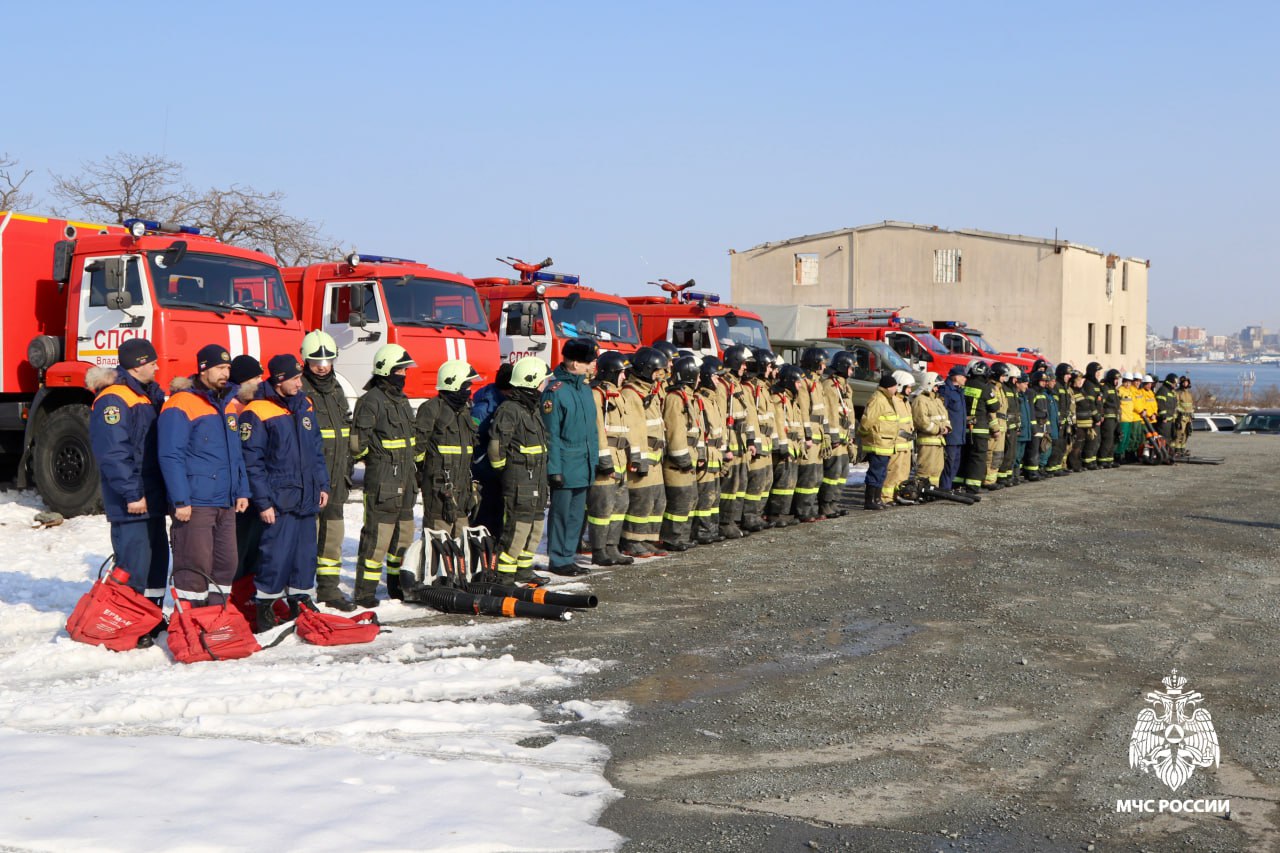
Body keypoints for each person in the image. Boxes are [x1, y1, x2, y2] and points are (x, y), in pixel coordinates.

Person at [239, 354, 330, 632]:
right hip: (278, 499)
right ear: (279, 380)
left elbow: (316, 450)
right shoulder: (257, 411)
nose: (299, 383)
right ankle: (265, 605)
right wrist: (263, 501)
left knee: (305, 554)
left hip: (307, 494)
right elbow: (251, 462)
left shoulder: (305, 405)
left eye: (299, 377)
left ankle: (300, 599)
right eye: (294, 378)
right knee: (275, 555)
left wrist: (323, 484)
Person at [88, 338, 169, 647]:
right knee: (133, 565)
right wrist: (132, 494)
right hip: (132, 501)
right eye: (152, 362)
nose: (157, 367)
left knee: (156, 562)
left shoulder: (146, 396)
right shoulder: (113, 399)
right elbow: (114, 453)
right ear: (137, 364)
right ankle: (126, 623)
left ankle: (150, 618)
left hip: (151, 497)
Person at [158, 344, 250, 607]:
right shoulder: (181, 403)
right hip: (196, 502)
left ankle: (216, 617)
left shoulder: (228, 405)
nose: (226, 373)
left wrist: (242, 490)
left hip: (226, 501)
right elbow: (170, 455)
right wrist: (180, 500)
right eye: (220, 368)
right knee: (194, 567)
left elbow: (236, 453)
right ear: (203, 369)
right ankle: (191, 619)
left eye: (228, 368)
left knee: (226, 563)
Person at [351, 344, 418, 607]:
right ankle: (365, 591)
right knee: (377, 539)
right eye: (400, 369)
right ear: (386, 370)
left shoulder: (401, 400)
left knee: (403, 538)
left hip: (405, 482)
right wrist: (378, 462)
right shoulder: (370, 401)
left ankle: (396, 586)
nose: (404, 374)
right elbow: (358, 445)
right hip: (383, 482)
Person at [300, 330, 355, 610]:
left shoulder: (336, 390)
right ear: (306, 361)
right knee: (307, 538)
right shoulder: (299, 390)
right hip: (309, 480)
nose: (322, 365)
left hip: (337, 478)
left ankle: (329, 590)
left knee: (332, 538)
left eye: (327, 360)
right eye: (316, 360)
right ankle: (301, 591)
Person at [488, 357, 551, 584]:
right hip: (519, 482)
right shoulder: (510, 410)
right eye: (542, 381)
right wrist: (505, 473)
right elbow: (496, 446)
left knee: (535, 527)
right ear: (531, 382)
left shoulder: (531, 409)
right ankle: (504, 575)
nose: (545, 385)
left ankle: (523, 570)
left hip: (536, 482)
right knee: (517, 530)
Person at [542, 338, 599, 576]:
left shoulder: (585, 390)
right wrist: (554, 468)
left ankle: (568, 556)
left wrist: (596, 461)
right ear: (574, 363)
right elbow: (551, 434)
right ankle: (558, 559)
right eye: (589, 362)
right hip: (565, 465)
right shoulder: (555, 392)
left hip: (584, 464)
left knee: (577, 515)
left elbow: (593, 431)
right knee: (561, 514)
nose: (593, 365)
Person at [416, 359, 480, 537]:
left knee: (461, 537)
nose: (469, 390)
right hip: (439, 489)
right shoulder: (431, 409)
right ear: (453, 383)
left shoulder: (464, 411)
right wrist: (423, 477)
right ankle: (433, 565)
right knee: (438, 536)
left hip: (462, 488)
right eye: (466, 385)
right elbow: (417, 449)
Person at [587, 352, 640, 566]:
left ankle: (612, 547)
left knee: (619, 506)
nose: (624, 377)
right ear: (611, 373)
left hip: (620, 459)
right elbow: (598, 430)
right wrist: (605, 462)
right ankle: (599, 550)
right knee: (602, 508)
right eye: (621, 373)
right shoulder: (597, 395)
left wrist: (633, 457)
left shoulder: (618, 395)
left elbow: (628, 430)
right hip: (607, 461)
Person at [620, 347, 669, 558]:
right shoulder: (632, 393)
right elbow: (634, 429)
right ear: (646, 369)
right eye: (657, 371)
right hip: (643, 456)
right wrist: (637, 458)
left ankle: (648, 538)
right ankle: (632, 540)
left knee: (657, 500)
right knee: (641, 500)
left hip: (655, 456)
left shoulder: (650, 391)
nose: (660, 375)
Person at [226, 354, 264, 609]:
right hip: (238, 489)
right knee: (237, 548)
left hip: (254, 487)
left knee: (253, 544)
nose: (261, 382)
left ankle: (248, 595)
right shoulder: (231, 407)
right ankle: (234, 596)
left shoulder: (252, 404)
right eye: (255, 378)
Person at [658, 355, 703, 552]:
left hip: (689, 457)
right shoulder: (676, 399)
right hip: (678, 463)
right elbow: (676, 430)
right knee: (680, 500)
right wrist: (682, 458)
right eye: (698, 375)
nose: (700, 379)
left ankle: (682, 536)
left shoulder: (688, 397)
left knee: (690, 499)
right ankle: (672, 538)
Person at [716, 346, 757, 535]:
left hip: (740, 443)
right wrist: (724, 448)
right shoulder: (724, 386)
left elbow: (747, 416)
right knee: (729, 486)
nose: (744, 368)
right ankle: (724, 523)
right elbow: (720, 419)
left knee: (740, 485)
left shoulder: (738, 384)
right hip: (731, 442)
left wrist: (750, 441)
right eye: (742, 363)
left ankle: (734, 520)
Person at [472, 363, 514, 539]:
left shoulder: (504, 401)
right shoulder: (484, 408)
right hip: (485, 469)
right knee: (486, 511)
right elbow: (472, 437)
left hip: (499, 467)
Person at [743, 349, 780, 529]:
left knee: (766, 481)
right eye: (770, 366)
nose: (772, 370)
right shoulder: (753, 388)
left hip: (766, 441)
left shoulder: (764, 388)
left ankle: (757, 515)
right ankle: (749, 517)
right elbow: (752, 417)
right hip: (758, 442)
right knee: (756, 482)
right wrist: (754, 442)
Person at [694, 358, 729, 541]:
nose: (718, 380)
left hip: (716, 455)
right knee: (705, 496)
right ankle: (701, 532)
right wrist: (701, 456)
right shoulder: (700, 400)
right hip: (707, 455)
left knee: (714, 497)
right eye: (716, 376)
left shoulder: (713, 400)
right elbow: (700, 431)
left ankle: (711, 530)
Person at [765, 364, 805, 522]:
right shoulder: (779, 399)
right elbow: (779, 424)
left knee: (789, 483)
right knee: (782, 483)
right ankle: (776, 514)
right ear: (789, 382)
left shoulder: (790, 400)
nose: (800, 385)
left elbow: (797, 422)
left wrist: (801, 441)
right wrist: (783, 447)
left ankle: (782, 513)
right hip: (785, 448)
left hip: (793, 446)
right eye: (798, 382)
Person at [819, 351, 856, 518]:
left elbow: (850, 413)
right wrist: (832, 436)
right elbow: (831, 413)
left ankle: (834, 502)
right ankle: (825, 504)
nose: (852, 371)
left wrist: (851, 437)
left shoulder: (846, 387)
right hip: (836, 440)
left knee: (842, 473)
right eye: (850, 368)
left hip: (844, 439)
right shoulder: (829, 386)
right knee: (831, 474)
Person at [792, 348, 828, 521]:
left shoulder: (818, 383)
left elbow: (823, 411)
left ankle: (811, 508)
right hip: (811, 434)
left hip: (819, 433)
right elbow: (804, 411)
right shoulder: (806, 383)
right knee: (808, 475)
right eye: (822, 364)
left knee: (816, 476)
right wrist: (807, 436)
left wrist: (826, 434)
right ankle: (803, 510)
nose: (824, 367)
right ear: (815, 364)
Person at [859, 372, 899, 510]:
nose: (896, 389)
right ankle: (870, 500)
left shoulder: (886, 398)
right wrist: (865, 436)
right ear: (888, 387)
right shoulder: (878, 399)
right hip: (878, 444)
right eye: (894, 386)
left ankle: (876, 498)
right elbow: (867, 421)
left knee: (881, 473)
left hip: (885, 444)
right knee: (875, 473)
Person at [958, 362, 998, 494]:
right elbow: (994, 406)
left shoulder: (965, 385)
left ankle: (957, 483)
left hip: (963, 427)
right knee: (978, 457)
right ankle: (973, 486)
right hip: (979, 428)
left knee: (964, 455)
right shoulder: (985, 388)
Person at [911, 372, 949, 495]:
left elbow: (945, 417)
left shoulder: (937, 400)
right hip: (927, 441)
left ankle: (932, 492)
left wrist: (947, 427)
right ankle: (920, 492)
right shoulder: (920, 400)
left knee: (937, 469)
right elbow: (922, 422)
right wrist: (939, 429)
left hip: (939, 441)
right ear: (928, 385)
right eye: (935, 386)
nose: (937, 388)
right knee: (925, 469)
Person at [885, 370, 916, 505]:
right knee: (893, 472)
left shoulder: (905, 402)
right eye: (908, 387)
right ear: (900, 385)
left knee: (903, 472)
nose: (910, 390)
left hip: (906, 444)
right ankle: (886, 497)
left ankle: (898, 495)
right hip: (897, 443)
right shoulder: (894, 401)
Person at [939, 365, 967, 491]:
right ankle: (945, 488)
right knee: (949, 463)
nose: (965, 379)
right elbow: (942, 411)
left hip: (959, 435)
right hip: (951, 435)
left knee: (956, 463)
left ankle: (949, 487)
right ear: (956, 377)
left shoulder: (959, 391)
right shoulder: (946, 391)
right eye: (963, 376)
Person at [1023, 370, 1051, 480]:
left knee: (1040, 449)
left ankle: (1037, 469)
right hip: (1035, 426)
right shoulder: (1031, 392)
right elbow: (1030, 411)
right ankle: (1031, 472)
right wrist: (1034, 427)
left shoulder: (1043, 395)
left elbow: (1045, 413)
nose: (1045, 383)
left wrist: (1047, 428)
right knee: (1033, 450)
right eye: (1042, 381)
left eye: (1046, 381)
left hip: (1042, 426)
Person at [998, 366, 1023, 485]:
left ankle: (1008, 475)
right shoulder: (1004, 389)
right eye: (1014, 378)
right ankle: (1002, 477)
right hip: (1006, 425)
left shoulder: (1013, 390)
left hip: (1013, 426)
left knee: (1012, 453)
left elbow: (1016, 410)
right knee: (1007, 452)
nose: (1015, 381)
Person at [1097, 369, 1122, 468]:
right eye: (1115, 379)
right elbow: (1101, 403)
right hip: (1108, 418)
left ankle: (1109, 460)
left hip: (1115, 417)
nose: (1117, 381)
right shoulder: (1106, 388)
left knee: (1113, 439)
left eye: (1117, 380)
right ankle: (1102, 460)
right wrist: (1101, 414)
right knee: (1107, 439)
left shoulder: (1114, 389)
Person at [1155, 373, 1179, 445]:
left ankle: (1167, 453)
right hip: (1163, 421)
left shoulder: (1171, 392)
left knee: (1169, 438)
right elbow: (1160, 405)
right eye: (1174, 383)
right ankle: (1162, 454)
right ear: (1169, 382)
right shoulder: (1163, 391)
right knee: (1163, 439)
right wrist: (1163, 416)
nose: (1175, 385)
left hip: (1170, 420)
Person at [1174, 376, 1195, 457]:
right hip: (1181, 417)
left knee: (1187, 433)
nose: (1185, 383)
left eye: (1187, 382)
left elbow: (1191, 405)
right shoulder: (1178, 393)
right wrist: (1179, 415)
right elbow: (1176, 405)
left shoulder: (1189, 394)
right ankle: (1177, 450)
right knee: (1180, 433)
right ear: (1181, 383)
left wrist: (1192, 414)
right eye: (1184, 382)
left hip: (1188, 417)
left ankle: (1183, 449)